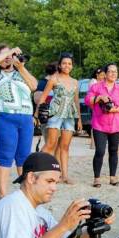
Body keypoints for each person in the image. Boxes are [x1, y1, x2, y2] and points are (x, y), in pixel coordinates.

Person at [0, 44, 37, 198]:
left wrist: (21, 67)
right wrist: (8, 51)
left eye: (10, 55)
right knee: (6, 155)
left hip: (25, 118)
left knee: (24, 156)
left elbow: (34, 86)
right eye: (4, 55)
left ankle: (25, 192)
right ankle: (3, 194)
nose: (8, 58)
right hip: (4, 117)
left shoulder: (20, 72)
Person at [39, 52, 81, 185]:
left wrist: (79, 118)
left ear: (72, 66)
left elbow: (76, 101)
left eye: (69, 63)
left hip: (69, 115)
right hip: (55, 113)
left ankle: (64, 176)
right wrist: (37, 115)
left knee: (65, 146)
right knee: (50, 145)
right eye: (64, 63)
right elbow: (43, 97)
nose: (66, 65)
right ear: (60, 65)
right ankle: (37, 169)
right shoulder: (54, 79)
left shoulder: (75, 82)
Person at [85, 63, 119, 187]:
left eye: (115, 72)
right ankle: (97, 178)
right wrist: (99, 98)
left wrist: (114, 109)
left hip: (117, 124)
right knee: (100, 151)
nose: (113, 74)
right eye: (110, 71)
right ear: (105, 73)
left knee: (113, 150)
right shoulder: (96, 86)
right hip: (100, 124)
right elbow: (87, 100)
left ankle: (113, 177)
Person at [33, 62, 58, 153]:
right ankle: (42, 162)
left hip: (58, 116)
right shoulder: (43, 83)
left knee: (56, 144)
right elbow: (37, 99)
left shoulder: (59, 81)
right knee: (50, 143)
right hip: (46, 115)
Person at [88, 67, 106, 150]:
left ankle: (99, 143)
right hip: (94, 106)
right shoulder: (93, 82)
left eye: (103, 75)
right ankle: (93, 143)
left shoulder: (102, 82)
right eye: (101, 75)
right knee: (95, 125)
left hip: (101, 106)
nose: (103, 76)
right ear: (97, 75)